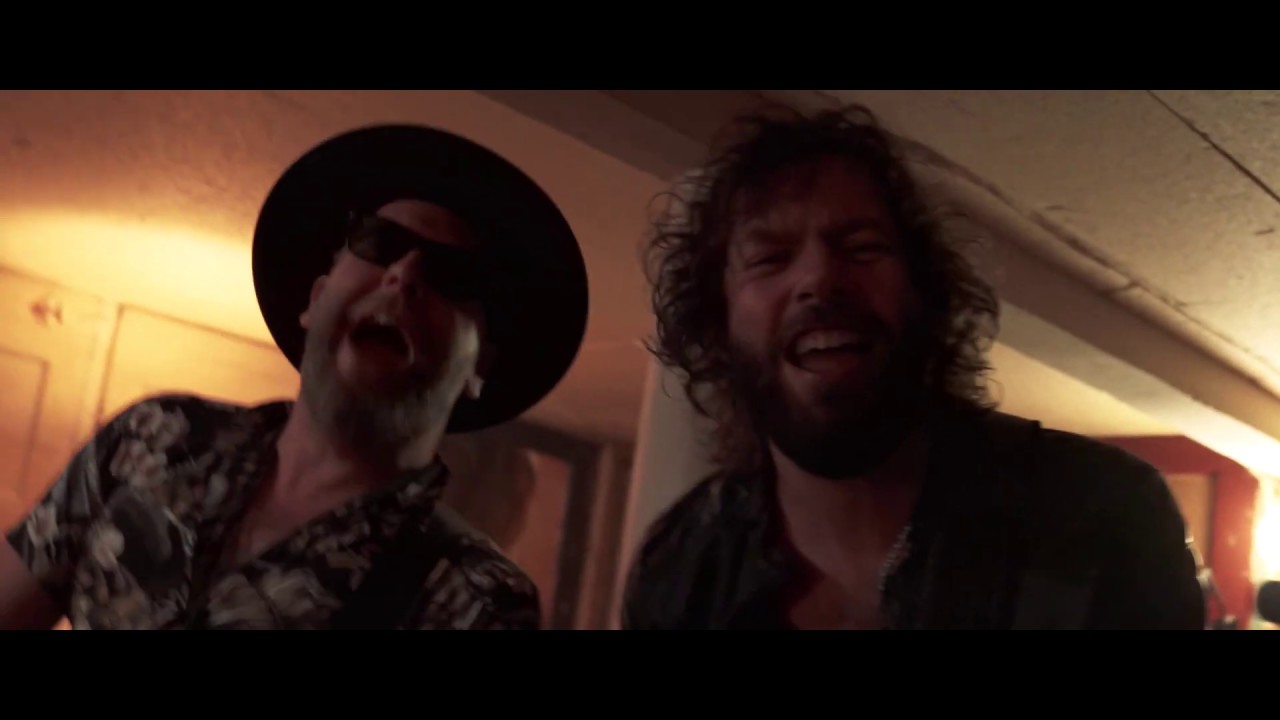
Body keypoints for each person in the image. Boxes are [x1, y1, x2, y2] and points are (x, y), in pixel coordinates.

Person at [621, 104, 1205, 630]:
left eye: (862, 247)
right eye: (770, 258)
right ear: (717, 321)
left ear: (924, 294)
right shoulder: (681, 566)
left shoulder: (1104, 517)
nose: (819, 278)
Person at [0, 124, 589, 630]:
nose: (405, 275)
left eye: (451, 275)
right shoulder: (155, 436)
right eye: (381, 242)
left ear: (480, 364)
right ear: (315, 299)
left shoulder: (475, 600)